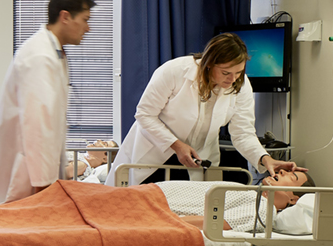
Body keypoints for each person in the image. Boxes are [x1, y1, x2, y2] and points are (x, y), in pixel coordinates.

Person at [112, 33, 299, 186]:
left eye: (239, 72)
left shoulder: (240, 85)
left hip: (196, 161)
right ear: (208, 63)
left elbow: (243, 133)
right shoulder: (174, 71)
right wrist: (176, 145)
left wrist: (265, 159)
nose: (232, 79)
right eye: (226, 72)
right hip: (154, 155)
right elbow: (145, 115)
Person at [0, 0, 95, 206]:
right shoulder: (40, 56)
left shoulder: (53, 51)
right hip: (25, 165)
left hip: (32, 162)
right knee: (12, 226)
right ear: (65, 17)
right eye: (85, 20)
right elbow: (37, 123)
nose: (88, 28)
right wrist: (44, 185)